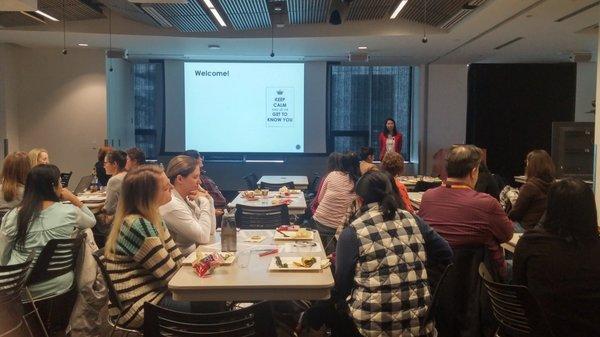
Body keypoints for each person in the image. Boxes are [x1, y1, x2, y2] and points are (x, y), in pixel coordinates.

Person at [335, 171, 452, 337]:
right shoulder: (413, 219)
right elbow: (446, 252)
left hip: (371, 326)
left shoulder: (353, 232)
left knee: (333, 309)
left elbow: (341, 282)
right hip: (420, 323)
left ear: (359, 200)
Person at [103, 165, 189, 329]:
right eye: (165, 187)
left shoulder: (153, 216)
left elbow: (178, 259)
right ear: (148, 196)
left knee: (211, 300)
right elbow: (173, 278)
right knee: (211, 304)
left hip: (154, 294)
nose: (171, 187)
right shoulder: (138, 225)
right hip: (138, 306)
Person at [513, 178, 600, 337]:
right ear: (589, 210)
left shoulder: (529, 243)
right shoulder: (594, 249)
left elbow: (519, 288)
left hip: (539, 329)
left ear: (550, 208)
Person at [0, 164, 96, 299]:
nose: (62, 186)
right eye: (60, 182)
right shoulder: (70, 212)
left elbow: (2, 257)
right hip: (61, 285)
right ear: (53, 186)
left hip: (21, 289)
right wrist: (74, 199)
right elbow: (92, 221)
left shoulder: (14, 216)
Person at [418, 145, 513, 278]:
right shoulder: (487, 203)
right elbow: (507, 235)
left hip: (439, 282)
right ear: (474, 172)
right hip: (485, 283)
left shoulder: (428, 197)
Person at [159, 155, 217, 255]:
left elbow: (211, 230)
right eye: (195, 177)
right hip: (181, 265)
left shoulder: (186, 198)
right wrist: (204, 201)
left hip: (191, 258)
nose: (199, 181)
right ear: (180, 179)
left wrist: (209, 199)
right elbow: (204, 237)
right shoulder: (172, 204)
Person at [313, 152, 359, 250]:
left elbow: (320, 200)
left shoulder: (332, 175)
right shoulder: (359, 182)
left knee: (322, 248)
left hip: (320, 221)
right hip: (343, 227)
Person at [508, 150, 555, 231]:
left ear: (532, 166)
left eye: (527, 163)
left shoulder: (530, 187)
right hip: (544, 230)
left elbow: (514, 214)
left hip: (525, 228)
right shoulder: (555, 185)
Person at [102, 150, 128, 216]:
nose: (104, 166)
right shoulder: (128, 175)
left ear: (114, 164)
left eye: (105, 163)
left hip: (118, 220)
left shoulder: (114, 180)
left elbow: (109, 209)